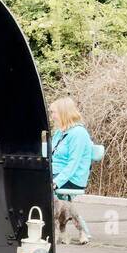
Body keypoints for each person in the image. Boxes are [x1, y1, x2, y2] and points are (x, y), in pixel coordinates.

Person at [49, 97, 94, 244]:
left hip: (72, 178)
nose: (51, 116)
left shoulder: (79, 134)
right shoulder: (60, 133)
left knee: (41, 187)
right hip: (56, 173)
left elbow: (73, 164)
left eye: (53, 112)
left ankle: (79, 230)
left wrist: (56, 182)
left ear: (63, 113)